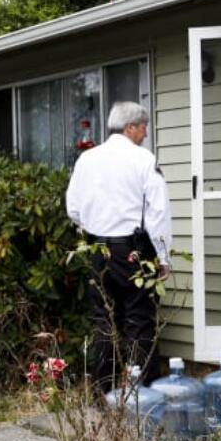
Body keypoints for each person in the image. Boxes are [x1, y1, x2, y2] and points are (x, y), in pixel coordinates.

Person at [66, 101, 172, 392]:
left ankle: (105, 392)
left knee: (104, 320)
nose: (145, 133)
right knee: (139, 320)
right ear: (130, 127)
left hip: (96, 249)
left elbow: (73, 208)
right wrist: (163, 256)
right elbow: (158, 213)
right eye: (143, 127)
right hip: (133, 249)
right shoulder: (143, 160)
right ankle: (145, 392)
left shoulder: (86, 160)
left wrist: (95, 226)